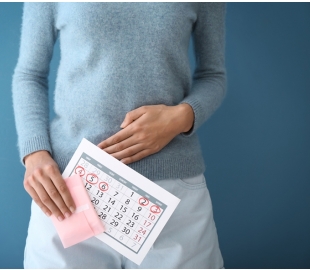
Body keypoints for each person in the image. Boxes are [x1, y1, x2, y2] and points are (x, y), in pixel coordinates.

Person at [12, 2, 226, 268]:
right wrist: (34, 154)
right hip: (70, 192)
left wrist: (181, 117)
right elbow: (30, 74)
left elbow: (213, 75)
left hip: (172, 194)